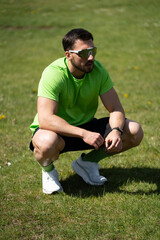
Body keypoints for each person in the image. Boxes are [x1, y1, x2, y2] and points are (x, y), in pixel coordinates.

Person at [29, 28, 143, 194]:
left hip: (87, 127)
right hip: (57, 131)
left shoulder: (98, 70)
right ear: (68, 55)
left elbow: (116, 108)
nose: (91, 57)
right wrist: (84, 134)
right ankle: (48, 172)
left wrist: (117, 131)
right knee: (46, 143)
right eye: (84, 53)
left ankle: (87, 163)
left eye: (93, 51)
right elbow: (46, 119)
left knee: (134, 131)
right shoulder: (53, 74)